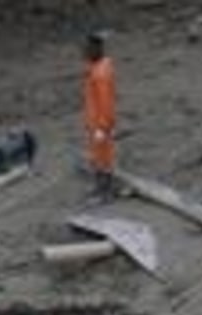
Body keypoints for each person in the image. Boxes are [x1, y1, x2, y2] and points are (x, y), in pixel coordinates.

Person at [81, 32, 117, 202]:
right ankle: (99, 189)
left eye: (88, 49)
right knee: (97, 157)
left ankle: (105, 193)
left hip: (100, 124)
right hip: (94, 122)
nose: (85, 52)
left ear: (97, 48)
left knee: (103, 159)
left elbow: (106, 103)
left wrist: (102, 127)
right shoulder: (95, 67)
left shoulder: (101, 73)